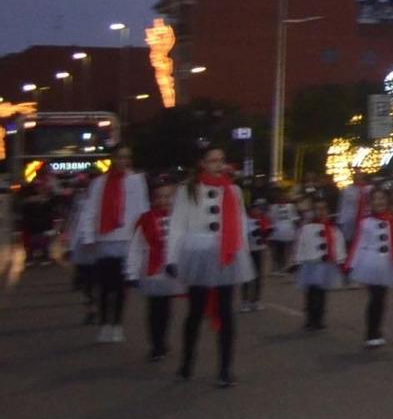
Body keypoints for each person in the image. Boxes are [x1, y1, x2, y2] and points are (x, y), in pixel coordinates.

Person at [164, 146, 255, 387]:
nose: (217, 165)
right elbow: (177, 225)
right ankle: (187, 362)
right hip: (198, 252)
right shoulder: (188, 190)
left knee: (226, 311)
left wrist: (242, 253)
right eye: (212, 161)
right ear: (203, 163)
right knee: (195, 312)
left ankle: (225, 368)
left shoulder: (233, 190)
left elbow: (240, 222)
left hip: (225, 252)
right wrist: (171, 257)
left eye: (221, 160)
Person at [69, 146, 147, 343]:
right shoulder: (99, 183)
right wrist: (88, 237)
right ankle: (104, 323)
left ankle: (117, 324)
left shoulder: (136, 181)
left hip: (127, 238)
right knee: (105, 285)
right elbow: (90, 210)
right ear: (112, 159)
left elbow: (142, 209)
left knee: (121, 286)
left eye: (127, 157)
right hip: (104, 239)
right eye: (120, 157)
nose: (124, 161)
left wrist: (144, 238)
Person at [346, 185, 393, 348]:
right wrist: (351, 264)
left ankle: (377, 330)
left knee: (382, 298)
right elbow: (359, 244)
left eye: (382, 198)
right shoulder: (366, 223)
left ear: (387, 201)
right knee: (375, 297)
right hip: (370, 262)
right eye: (376, 199)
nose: (379, 202)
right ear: (370, 203)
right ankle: (371, 332)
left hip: (387, 264)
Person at [125, 181, 180, 362]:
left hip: (172, 270)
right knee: (155, 308)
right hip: (153, 270)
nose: (164, 200)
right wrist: (131, 272)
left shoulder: (179, 218)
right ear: (153, 199)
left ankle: (163, 340)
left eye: (167, 196)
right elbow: (136, 247)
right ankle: (156, 344)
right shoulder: (146, 219)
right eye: (159, 197)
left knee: (167, 309)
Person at [293, 191, 345, 332]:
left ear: (328, 210)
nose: (321, 212)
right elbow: (301, 244)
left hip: (325, 265)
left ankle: (319, 318)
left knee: (321, 293)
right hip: (310, 264)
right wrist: (298, 260)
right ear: (313, 211)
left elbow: (338, 244)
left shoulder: (333, 229)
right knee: (310, 293)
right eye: (318, 209)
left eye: (323, 209)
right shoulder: (307, 228)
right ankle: (310, 318)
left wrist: (340, 260)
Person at [268, 188, 299, 273]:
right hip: (277, 231)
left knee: (287, 251)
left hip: (288, 231)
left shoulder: (291, 206)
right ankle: (277, 267)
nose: (282, 198)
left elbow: (294, 218)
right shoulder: (273, 207)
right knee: (277, 251)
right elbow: (270, 219)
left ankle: (285, 266)